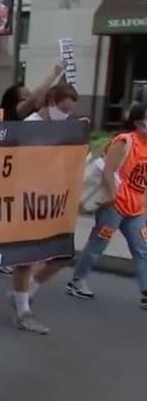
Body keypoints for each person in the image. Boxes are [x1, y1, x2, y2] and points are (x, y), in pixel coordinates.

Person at [3, 83, 83, 334]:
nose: (66, 114)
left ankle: (23, 295)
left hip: (53, 200)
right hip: (27, 198)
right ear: (51, 103)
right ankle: (23, 309)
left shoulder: (63, 128)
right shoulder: (30, 125)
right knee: (26, 258)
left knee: (62, 255)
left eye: (69, 111)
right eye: (63, 109)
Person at [67, 102, 147, 308]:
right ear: (139, 122)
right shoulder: (125, 141)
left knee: (142, 248)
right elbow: (108, 171)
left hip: (136, 209)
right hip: (115, 205)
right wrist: (112, 196)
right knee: (98, 245)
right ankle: (77, 280)